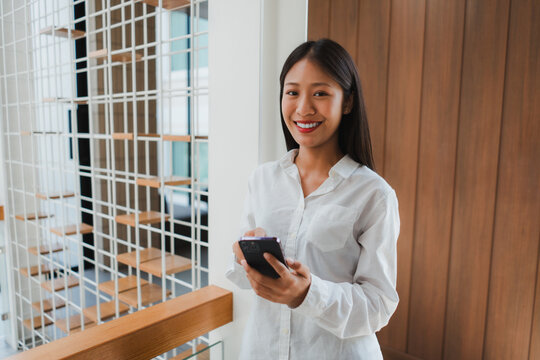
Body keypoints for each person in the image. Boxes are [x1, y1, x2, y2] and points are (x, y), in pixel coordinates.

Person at [226, 38, 400, 360]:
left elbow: (378, 305)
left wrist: (307, 293)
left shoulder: (374, 195)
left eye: (320, 93)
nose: (303, 108)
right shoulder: (262, 179)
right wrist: (243, 254)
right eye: (292, 92)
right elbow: (239, 274)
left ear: (347, 102)